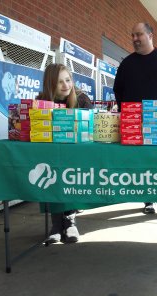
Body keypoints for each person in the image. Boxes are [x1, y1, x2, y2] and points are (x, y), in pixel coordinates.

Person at [113, 22, 157, 218]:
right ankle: (148, 199)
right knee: (143, 165)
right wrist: (127, 115)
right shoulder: (127, 64)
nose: (135, 39)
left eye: (139, 35)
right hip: (136, 126)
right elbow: (118, 90)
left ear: (150, 35)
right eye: (133, 35)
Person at [37, 63, 93, 243]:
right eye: (59, 82)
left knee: (70, 179)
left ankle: (70, 222)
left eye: (68, 80)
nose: (66, 85)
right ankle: (55, 224)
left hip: (76, 155)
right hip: (51, 154)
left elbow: (91, 130)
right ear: (50, 84)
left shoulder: (82, 99)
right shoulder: (41, 101)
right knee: (51, 178)